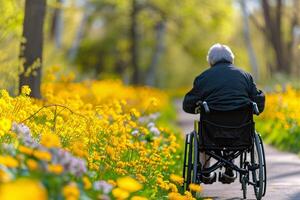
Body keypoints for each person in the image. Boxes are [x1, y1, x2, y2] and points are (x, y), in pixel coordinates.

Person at [182, 43, 265, 184]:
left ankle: (205, 172)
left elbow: (188, 104)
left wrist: (196, 107)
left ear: (210, 61)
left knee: (204, 134)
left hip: (211, 132)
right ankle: (229, 168)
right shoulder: (245, 76)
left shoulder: (203, 77)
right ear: (231, 59)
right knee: (231, 129)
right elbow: (259, 100)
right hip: (241, 130)